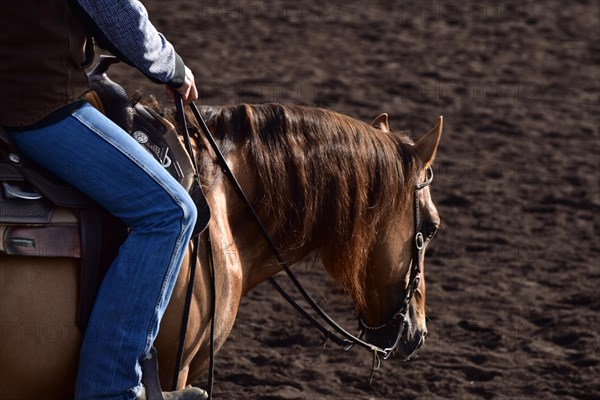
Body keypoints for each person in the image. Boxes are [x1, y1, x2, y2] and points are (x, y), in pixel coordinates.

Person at [0, 1, 206, 399]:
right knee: (172, 213)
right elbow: (116, 14)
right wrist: (171, 67)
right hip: (35, 103)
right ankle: (111, 387)